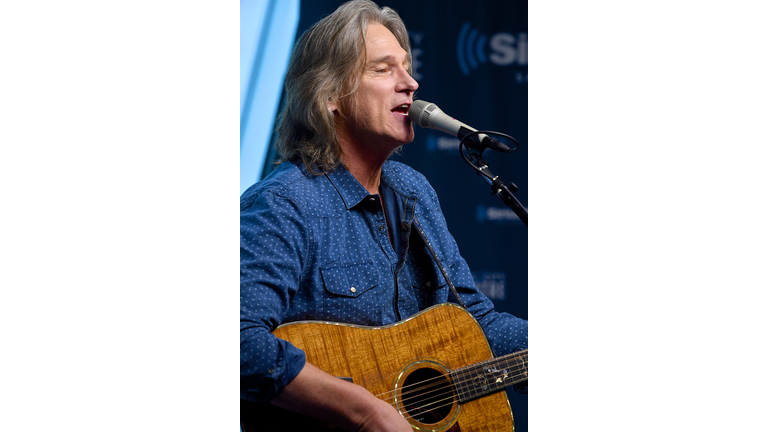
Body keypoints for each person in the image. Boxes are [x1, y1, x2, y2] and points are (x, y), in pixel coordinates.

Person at [240, 1, 527, 431]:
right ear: (330, 94)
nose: (410, 84)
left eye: (408, 68)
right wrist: (366, 411)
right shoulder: (284, 204)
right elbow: (238, 342)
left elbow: (476, 324)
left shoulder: (414, 191)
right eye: (383, 69)